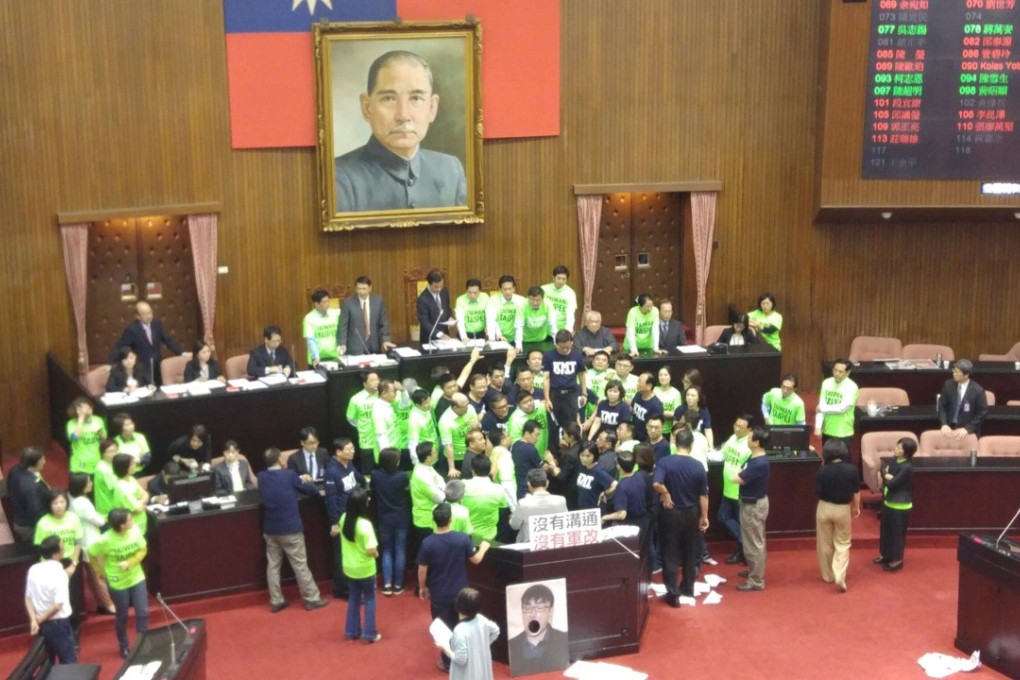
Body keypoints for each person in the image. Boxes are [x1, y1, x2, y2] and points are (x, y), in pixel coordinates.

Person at [334, 50, 467, 212]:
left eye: (416, 98)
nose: (403, 115)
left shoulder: (450, 169)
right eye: (389, 98)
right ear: (367, 107)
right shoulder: (339, 177)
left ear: (432, 107)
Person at [418, 503, 491, 672]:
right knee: (465, 627)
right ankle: (468, 660)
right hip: (461, 593)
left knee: (444, 629)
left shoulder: (427, 543)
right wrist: (485, 547)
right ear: (451, 520)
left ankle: (449, 663)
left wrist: (422, 588)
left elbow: (422, 570)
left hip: (439, 594)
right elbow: (476, 559)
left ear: (433, 520)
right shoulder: (462, 539)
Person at [256, 447, 329, 613]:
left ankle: (276, 600)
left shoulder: (261, 477)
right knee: (300, 564)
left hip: (271, 529)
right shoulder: (289, 475)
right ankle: (312, 598)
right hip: (290, 529)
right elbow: (308, 490)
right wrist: (309, 484)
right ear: (280, 460)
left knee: (273, 565)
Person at [653, 429, 709, 606]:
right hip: (692, 512)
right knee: (690, 552)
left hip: (670, 513)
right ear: (691, 445)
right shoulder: (698, 465)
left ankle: (673, 594)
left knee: (669, 553)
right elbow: (703, 496)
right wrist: (704, 517)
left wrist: (666, 493)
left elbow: (656, 483)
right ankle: (688, 588)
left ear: (675, 443)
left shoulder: (665, 462)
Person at [88, 508, 148, 658]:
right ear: (121, 525)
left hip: (136, 577)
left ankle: (143, 643)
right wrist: (99, 571)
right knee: (122, 615)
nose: (132, 522)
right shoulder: (105, 540)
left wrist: (130, 562)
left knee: (143, 612)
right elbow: (91, 553)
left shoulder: (134, 531)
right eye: (129, 520)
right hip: (117, 582)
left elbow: (143, 550)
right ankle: (124, 646)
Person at [32, 489, 85, 636]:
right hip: (51, 564)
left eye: (62, 502)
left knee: (73, 599)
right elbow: (40, 549)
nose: (59, 505)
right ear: (49, 505)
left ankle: (74, 635)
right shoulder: (43, 523)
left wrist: (73, 565)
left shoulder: (73, 518)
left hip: (70, 562)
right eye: (55, 503)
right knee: (56, 600)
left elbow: (78, 542)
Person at [815, 439, 861, 593]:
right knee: (842, 543)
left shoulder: (821, 470)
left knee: (824, 543)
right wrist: (856, 507)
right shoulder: (852, 470)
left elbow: (817, 491)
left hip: (824, 508)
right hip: (842, 509)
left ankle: (827, 575)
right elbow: (856, 491)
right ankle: (839, 574)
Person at [68, 473, 116, 616]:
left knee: (93, 576)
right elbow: (99, 521)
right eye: (89, 482)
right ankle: (109, 605)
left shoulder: (73, 500)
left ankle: (102, 603)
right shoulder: (83, 503)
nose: (91, 484)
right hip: (92, 544)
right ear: (82, 486)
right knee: (99, 577)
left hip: (85, 543)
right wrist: (104, 516)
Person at [24, 535, 77, 664]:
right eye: (62, 546)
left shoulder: (34, 569)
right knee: (69, 662)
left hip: (41, 624)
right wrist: (40, 619)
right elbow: (57, 605)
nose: (64, 548)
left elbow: (28, 598)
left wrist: (34, 621)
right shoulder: (60, 574)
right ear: (56, 553)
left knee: (47, 663)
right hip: (58, 624)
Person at [324, 437, 365, 600]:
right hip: (341, 519)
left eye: (353, 448)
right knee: (342, 556)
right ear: (338, 452)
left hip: (352, 515)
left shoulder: (349, 464)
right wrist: (334, 523)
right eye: (348, 449)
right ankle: (344, 590)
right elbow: (330, 499)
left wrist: (366, 484)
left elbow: (358, 477)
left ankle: (345, 588)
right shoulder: (332, 471)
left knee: (351, 553)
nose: (352, 451)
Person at [338, 489, 381, 643]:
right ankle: (369, 634)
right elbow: (371, 551)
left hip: (349, 567)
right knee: (370, 599)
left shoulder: (343, 518)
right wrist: (377, 554)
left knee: (354, 598)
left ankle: (351, 631)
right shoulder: (365, 525)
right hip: (365, 569)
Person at [108, 301, 183, 386]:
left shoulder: (157, 324)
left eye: (150, 312)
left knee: (158, 388)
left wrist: (181, 353)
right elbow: (120, 347)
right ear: (138, 316)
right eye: (145, 314)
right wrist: (110, 363)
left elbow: (168, 340)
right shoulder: (132, 330)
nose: (149, 316)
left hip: (157, 365)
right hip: (142, 368)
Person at [733, 426, 771, 592]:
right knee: (755, 540)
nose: (747, 440)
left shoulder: (758, 463)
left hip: (753, 506)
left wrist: (738, 472)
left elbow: (737, 477)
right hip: (751, 503)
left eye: (749, 438)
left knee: (753, 544)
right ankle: (754, 572)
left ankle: (756, 580)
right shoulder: (754, 457)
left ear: (756, 443)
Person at [371, 448, 411, 596]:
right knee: (400, 549)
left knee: (386, 550)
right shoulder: (402, 476)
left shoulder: (376, 475)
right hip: (401, 517)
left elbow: (372, 487)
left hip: (383, 518)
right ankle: (398, 584)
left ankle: (387, 584)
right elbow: (407, 490)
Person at [506, 583, 570, 675]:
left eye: (540, 607)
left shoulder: (563, 639)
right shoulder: (512, 644)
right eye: (527, 608)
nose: (533, 614)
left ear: (550, 611)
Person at [438, 587, 500, 680]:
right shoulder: (481, 619)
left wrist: (445, 648)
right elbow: (496, 630)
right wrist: (483, 645)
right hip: (481, 669)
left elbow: (461, 659)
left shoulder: (460, 630)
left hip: (467, 674)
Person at [875, 437, 916, 573]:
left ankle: (897, 560)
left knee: (897, 533)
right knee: (886, 531)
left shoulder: (907, 468)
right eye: (897, 446)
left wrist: (888, 476)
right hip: (888, 501)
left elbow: (893, 483)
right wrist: (888, 476)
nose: (896, 449)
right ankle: (886, 555)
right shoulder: (893, 461)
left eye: (900, 448)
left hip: (900, 505)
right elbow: (883, 470)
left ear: (907, 452)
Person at [718, 415, 753, 565]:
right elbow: (722, 454)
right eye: (736, 425)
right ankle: (744, 546)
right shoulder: (733, 438)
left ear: (749, 429)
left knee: (741, 523)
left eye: (741, 427)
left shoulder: (750, 445)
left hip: (740, 491)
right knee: (723, 516)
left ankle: (744, 550)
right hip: (728, 488)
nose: (737, 429)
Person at [542, 330, 587, 440]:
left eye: (567, 347)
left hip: (571, 394)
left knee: (572, 425)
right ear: (556, 344)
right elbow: (546, 378)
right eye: (562, 347)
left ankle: (573, 449)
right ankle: (555, 452)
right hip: (555, 394)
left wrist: (584, 393)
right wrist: (547, 399)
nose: (565, 350)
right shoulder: (548, 356)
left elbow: (582, 375)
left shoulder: (577, 354)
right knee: (553, 425)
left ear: (571, 343)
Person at [339, 276, 396, 355]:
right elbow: (343, 326)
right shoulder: (348, 303)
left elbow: (383, 323)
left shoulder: (378, 301)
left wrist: (386, 340)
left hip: (374, 345)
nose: (362, 292)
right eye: (359, 288)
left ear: (370, 288)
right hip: (355, 346)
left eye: (364, 289)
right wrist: (342, 343)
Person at [410, 441, 446, 563]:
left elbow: (440, 480)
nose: (436, 453)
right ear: (428, 457)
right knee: (426, 557)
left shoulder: (426, 467)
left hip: (430, 517)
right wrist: (441, 489)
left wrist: (440, 487)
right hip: (425, 520)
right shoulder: (421, 475)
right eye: (434, 452)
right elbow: (440, 497)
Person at [510, 468, 567, 543]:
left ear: (528, 484)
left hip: (529, 544)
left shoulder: (523, 503)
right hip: (554, 541)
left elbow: (514, 526)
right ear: (547, 483)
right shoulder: (561, 500)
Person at [937, 358, 989, 439]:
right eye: (953, 370)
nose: (953, 373)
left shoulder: (978, 390)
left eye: (957, 372)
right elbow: (942, 406)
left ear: (966, 375)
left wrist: (968, 428)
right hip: (949, 428)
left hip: (967, 431)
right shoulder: (948, 385)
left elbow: (982, 413)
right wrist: (944, 424)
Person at [461, 456, 510, 541]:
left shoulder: (463, 485)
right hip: (489, 536)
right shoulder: (499, 489)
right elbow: (503, 507)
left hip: (466, 534)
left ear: (472, 469)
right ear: (490, 468)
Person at [8, 446, 50, 542]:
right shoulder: (31, 487)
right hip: (29, 526)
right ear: (35, 463)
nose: (45, 461)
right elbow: (36, 513)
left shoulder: (14, 470)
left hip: (19, 517)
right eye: (42, 459)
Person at [814, 359, 859, 448]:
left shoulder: (852, 387)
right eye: (835, 370)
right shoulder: (826, 383)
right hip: (827, 430)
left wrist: (823, 408)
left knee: (842, 460)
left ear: (848, 373)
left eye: (840, 372)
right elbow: (820, 406)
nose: (836, 373)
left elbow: (843, 409)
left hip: (843, 432)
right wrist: (818, 427)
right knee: (827, 460)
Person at [601, 452, 649, 529]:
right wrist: (607, 492)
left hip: (629, 524)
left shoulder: (622, 487)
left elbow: (621, 514)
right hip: (643, 522)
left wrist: (604, 517)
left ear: (619, 466)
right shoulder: (640, 476)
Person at [438, 393, 480, 479]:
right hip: (457, 458)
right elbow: (448, 446)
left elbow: (477, 427)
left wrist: (477, 426)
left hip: (472, 451)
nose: (468, 406)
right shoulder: (445, 421)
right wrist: (452, 468)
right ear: (455, 408)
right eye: (465, 405)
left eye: (468, 403)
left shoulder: (470, 408)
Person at [371, 379, 410, 463]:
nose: (396, 394)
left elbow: (405, 404)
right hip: (388, 457)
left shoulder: (389, 404)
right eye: (394, 391)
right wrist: (389, 458)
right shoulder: (378, 410)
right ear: (384, 393)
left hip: (395, 452)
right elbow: (381, 436)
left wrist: (403, 390)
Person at [111, 454, 149, 536]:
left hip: (141, 525)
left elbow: (146, 494)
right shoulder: (121, 488)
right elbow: (138, 509)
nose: (135, 465)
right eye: (132, 464)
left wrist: (140, 501)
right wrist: (143, 501)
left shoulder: (131, 479)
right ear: (125, 468)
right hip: (131, 530)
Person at [66, 397, 106, 475]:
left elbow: (103, 440)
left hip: (96, 461)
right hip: (79, 465)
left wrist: (99, 433)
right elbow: (75, 438)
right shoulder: (72, 423)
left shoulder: (98, 420)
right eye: (82, 409)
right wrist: (81, 418)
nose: (87, 411)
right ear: (77, 410)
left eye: (89, 408)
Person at [303, 289, 341, 367]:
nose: (327, 304)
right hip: (317, 359)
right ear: (316, 304)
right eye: (324, 302)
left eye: (328, 301)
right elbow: (311, 340)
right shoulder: (309, 318)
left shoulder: (335, 314)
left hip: (334, 357)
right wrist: (316, 357)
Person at [486, 275, 525, 350]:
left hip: (516, 338)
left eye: (510, 289)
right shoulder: (492, 300)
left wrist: (518, 344)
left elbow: (520, 324)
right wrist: (494, 338)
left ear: (514, 288)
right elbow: (491, 321)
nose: (507, 292)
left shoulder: (521, 301)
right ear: (500, 289)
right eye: (505, 289)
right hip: (497, 338)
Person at [417, 269, 454, 347]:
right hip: (430, 339)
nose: (439, 289)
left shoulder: (444, 291)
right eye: (436, 287)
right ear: (429, 284)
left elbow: (447, 308)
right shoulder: (422, 299)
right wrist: (440, 335)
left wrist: (450, 318)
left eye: (441, 286)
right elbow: (425, 323)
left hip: (445, 336)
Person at [510, 420, 546, 500]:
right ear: (527, 434)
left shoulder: (515, 445)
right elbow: (542, 469)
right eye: (536, 435)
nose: (538, 438)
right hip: (529, 491)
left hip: (518, 489)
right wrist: (550, 461)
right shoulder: (531, 449)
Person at [576, 442, 616, 511]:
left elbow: (615, 484)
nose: (584, 459)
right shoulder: (582, 467)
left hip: (595, 510)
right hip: (582, 509)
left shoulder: (599, 471)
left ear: (594, 455)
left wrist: (605, 493)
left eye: (588, 456)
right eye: (582, 455)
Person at [541, 265, 577, 333]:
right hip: (544, 329)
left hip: (560, 330)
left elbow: (570, 315)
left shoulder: (570, 293)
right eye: (559, 278)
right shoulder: (544, 289)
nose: (561, 281)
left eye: (564, 279)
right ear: (553, 277)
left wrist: (567, 331)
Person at [676, 385, 714, 449]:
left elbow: (708, 430)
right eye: (688, 395)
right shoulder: (680, 410)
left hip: (699, 442)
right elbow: (675, 429)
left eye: (693, 396)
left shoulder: (704, 412)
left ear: (699, 398)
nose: (689, 398)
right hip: (683, 442)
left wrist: (711, 446)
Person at [630, 372, 664, 442]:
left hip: (646, 440)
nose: (638, 384)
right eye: (638, 381)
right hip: (634, 435)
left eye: (640, 382)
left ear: (649, 386)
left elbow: (656, 427)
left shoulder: (656, 405)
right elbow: (632, 409)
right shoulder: (638, 394)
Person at [408, 389, 439, 461]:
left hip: (434, 449)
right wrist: (416, 461)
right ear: (417, 405)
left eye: (429, 401)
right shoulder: (414, 420)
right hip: (427, 456)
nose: (429, 404)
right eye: (426, 403)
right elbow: (413, 442)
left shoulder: (426, 410)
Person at [655, 366, 683, 435]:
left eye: (665, 375)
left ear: (670, 377)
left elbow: (676, 414)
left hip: (668, 431)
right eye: (660, 375)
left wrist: (659, 412)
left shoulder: (676, 393)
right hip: (654, 430)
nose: (663, 377)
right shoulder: (654, 390)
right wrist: (667, 413)